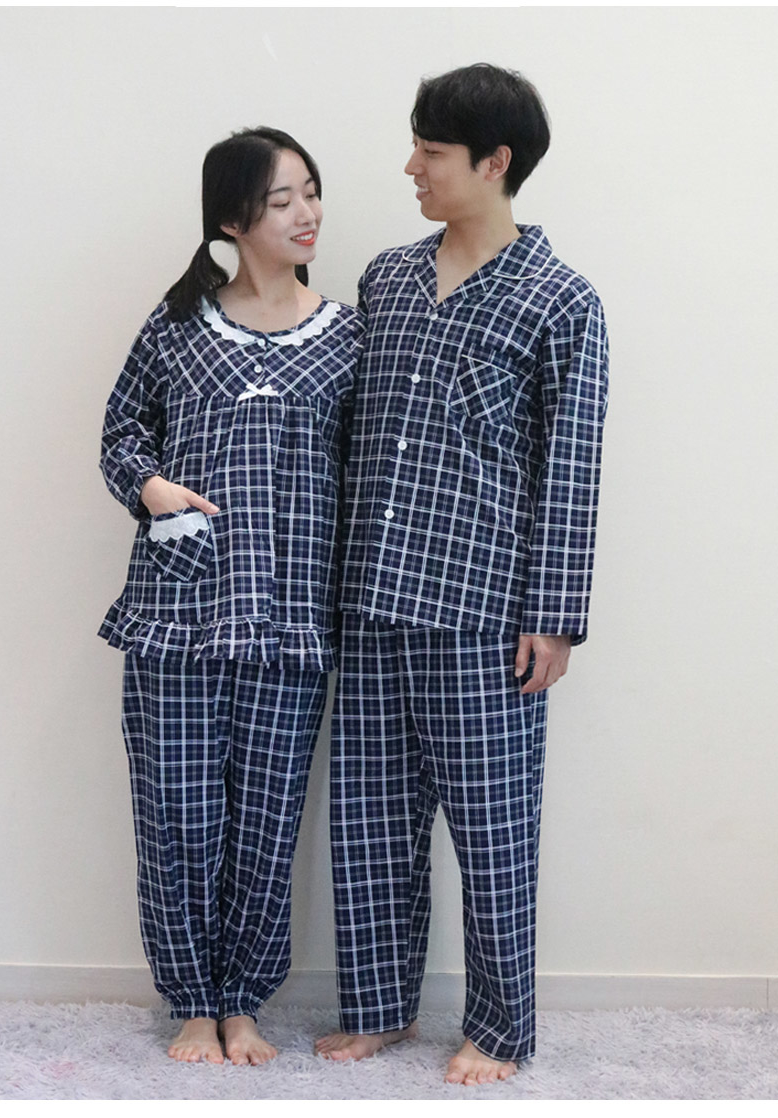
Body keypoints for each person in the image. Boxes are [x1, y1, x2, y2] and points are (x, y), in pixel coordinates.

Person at [315, 65, 609, 1085]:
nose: (411, 166)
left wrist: (554, 617)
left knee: (493, 833)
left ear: (494, 162)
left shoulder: (563, 302)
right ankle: (378, 1009)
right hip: (369, 597)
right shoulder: (387, 280)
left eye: (431, 151)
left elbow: (570, 466)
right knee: (368, 825)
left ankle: (498, 1028)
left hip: (485, 615)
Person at [99, 127, 359, 1066]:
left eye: (312, 192)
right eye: (283, 199)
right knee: (175, 818)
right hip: (177, 616)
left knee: (266, 823)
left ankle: (242, 1003)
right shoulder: (177, 325)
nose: (308, 213)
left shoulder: (350, 338)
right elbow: (120, 434)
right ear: (233, 220)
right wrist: (153, 491)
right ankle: (192, 1004)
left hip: (291, 621)